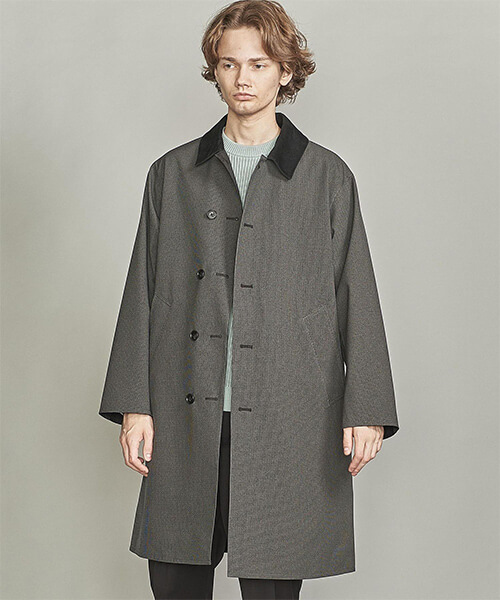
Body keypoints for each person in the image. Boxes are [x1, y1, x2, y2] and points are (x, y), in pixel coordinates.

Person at [99, 1, 400, 599]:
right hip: (186, 412)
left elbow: (355, 291)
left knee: (272, 586)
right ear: (214, 69)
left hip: (290, 417)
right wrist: (135, 405)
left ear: (285, 71)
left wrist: (366, 406)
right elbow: (143, 291)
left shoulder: (326, 176)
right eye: (229, 64)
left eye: (259, 65)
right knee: (176, 579)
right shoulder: (173, 174)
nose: (242, 79)